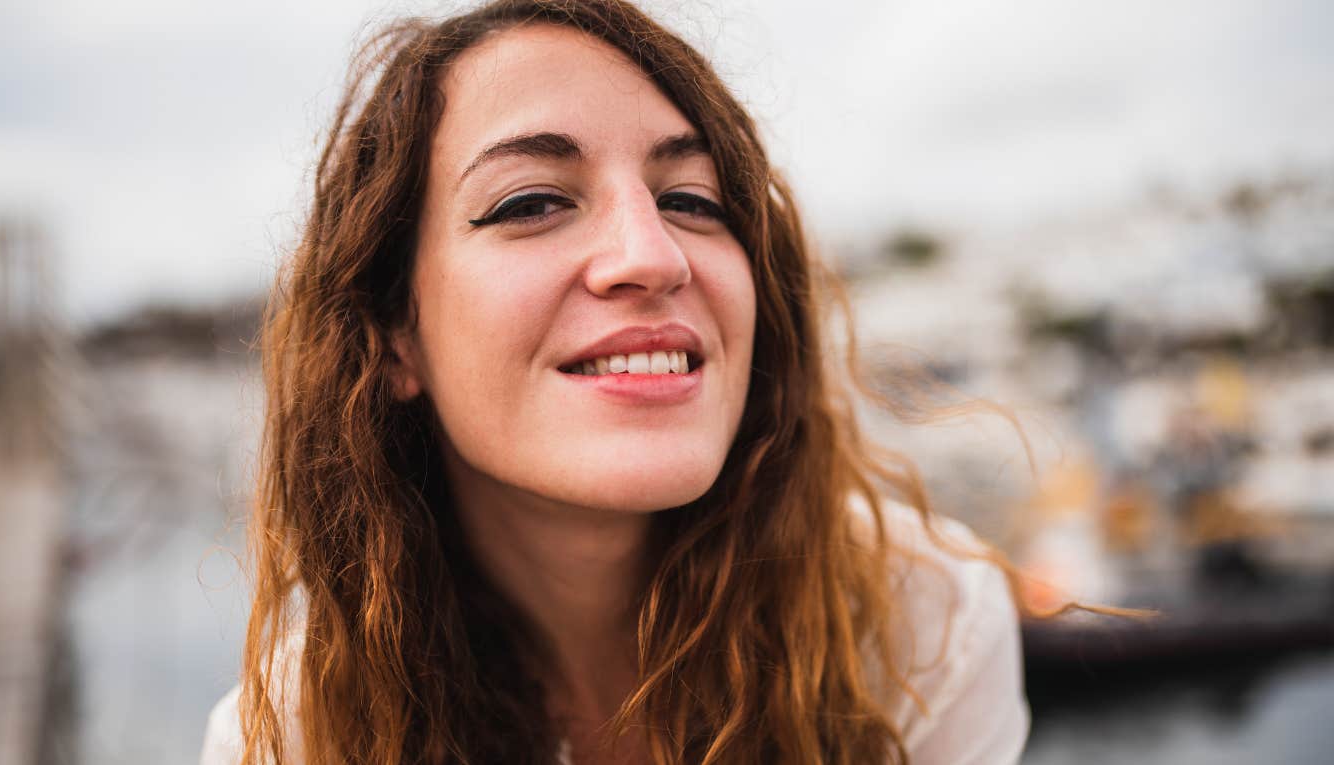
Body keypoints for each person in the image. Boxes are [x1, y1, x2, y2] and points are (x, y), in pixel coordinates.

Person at [201, 1, 1030, 762]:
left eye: (693, 201)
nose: (653, 254)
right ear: (392, 340)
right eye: (530, 202)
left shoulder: (923, 626)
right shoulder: (293, 739)